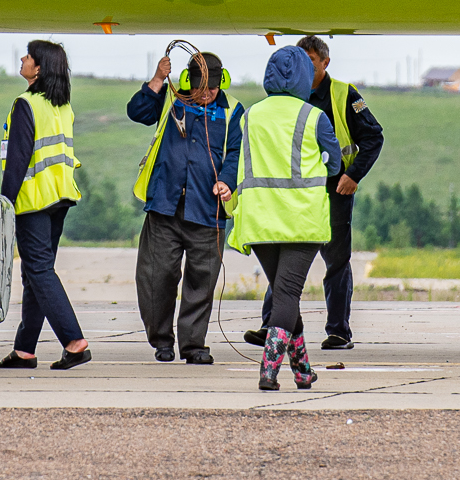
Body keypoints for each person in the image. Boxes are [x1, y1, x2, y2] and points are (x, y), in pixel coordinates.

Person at [242, 35, 384, 350]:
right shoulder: (287, 97)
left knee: (335, 261)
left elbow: (373, 137)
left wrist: (353, 175)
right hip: (293, 196)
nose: (303, 68)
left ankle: (338, 332)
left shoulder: (344, 95)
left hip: (333, 193)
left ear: (325, 62)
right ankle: (272, 326)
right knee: (284, 263)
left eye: (309, 61)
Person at [227, 45, 342, 391]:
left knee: (283, 292)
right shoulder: (314, 117)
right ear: (305, 78)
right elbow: (335, 164)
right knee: (288, 293)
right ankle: (268, 370)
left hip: (259, 220)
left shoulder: (249, 115)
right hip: (300, 220)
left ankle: (303, 371)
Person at [127, 49, 245, 364]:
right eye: (200, 88)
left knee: (201, 280)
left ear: (222, 82)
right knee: (156, 276)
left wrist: (227, 181)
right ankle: (162, 341)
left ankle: (193, 345)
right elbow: (137, 112)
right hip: (165, 205)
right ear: (188, 82)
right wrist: (156, 80)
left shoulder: (233, 111)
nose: (206, 94)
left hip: (208, 210)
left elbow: (235, 152)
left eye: (212, 88)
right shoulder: (171, 99)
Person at [0, 40, 91, 371]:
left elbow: (18, 159)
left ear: (38, 68)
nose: (22, 59)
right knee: (34, 272)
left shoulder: (25, 104)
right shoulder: (62, 106)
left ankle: (74, 343)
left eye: (28, 56)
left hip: (35, 198)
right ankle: (24, 351)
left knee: (38, 269)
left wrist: (5, 203)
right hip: (60, 196)